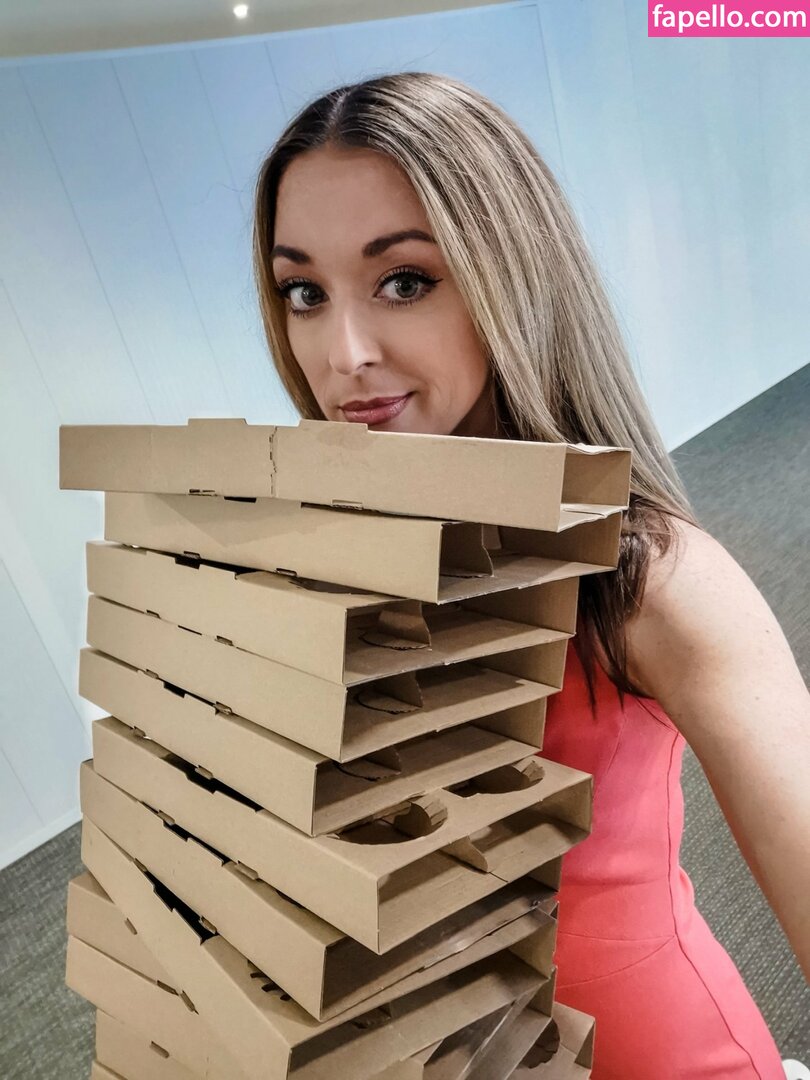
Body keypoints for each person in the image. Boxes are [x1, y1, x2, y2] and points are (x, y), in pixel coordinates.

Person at [251, 72, 810, 1078]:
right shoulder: (330, 556)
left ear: (509, 273)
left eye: (404, 281)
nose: (342, 353)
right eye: (305, 292)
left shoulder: (650, 574)